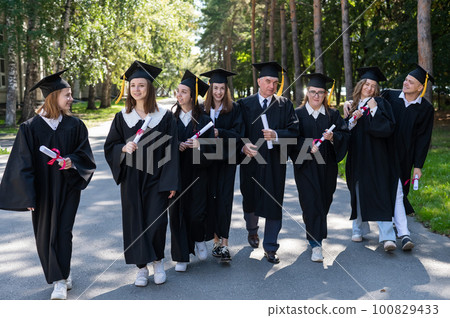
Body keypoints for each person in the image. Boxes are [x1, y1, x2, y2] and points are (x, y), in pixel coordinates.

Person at [0, 70, 96, 300]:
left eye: (71, 94)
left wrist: (71, 161)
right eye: (67, 94)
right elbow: (22, 164)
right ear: (53, 96)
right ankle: (60, 275)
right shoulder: (30, 128)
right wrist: (27, 196)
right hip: (42, 190)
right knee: (45, 235)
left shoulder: (75, 125)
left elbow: (85, 154)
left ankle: (61, 278)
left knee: (63, 232)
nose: (71, 98)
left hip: (68, 187)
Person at [104, 60, 179, 287]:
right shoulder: (122, 117)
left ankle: (157, 261)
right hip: (132, 179)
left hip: (157, 178)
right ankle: (141, 268)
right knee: (135, 222)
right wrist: (122, 148)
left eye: (141, 85)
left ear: (150, 88)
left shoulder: (164, 117)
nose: (136, 89)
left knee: (155, 222)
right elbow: (111, 146)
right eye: (133, 85)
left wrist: (170, 181)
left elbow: (171, 150)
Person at [238, 61, 299, 264]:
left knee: (274, 204)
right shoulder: (245, 105)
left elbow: (295, 133)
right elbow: (238, 132)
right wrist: (242, 146)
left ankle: (271, 247)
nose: (271, 86)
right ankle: (252, 231)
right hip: (251, 161)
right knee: (250, 200)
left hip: (274, 163)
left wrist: (277, 134)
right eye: (267, 81)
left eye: (275, 82)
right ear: (259, 81)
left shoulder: (284, 105)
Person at [289, 73, 349, 262]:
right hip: (305, 166)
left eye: (320, 93)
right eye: (313, 92)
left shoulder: (332, 115)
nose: (316, 96)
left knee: (324, 202)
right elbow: (291, 138)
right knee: (310, 202)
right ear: (307, 93)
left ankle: (313, 231)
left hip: (327, 166)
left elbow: (345, 134)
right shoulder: (297, 114)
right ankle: (316, 244)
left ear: (325, 95)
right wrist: (307, 146)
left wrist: (333, 138)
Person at [380, 64, 435, 251]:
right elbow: (369, 105)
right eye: (405, 79)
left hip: (405, 156)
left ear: (420, 87)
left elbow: (423, 139)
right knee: (386, 190)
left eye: (411, 82)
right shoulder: (390, 96)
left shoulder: (426, 109)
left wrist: (418, 165)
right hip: (384, 152)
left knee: (400, 191)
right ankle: (394, 231)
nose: (406, 83)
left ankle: (397, 227)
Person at [344, 66, 397, 252]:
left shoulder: (381, 104)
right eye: (367, 84)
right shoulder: (351, 105)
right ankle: (358, 229)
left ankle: (388, 236)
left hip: (377, 156)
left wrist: (374, 111)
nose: (370, 88)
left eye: (373, 86)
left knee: (380, 191)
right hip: (357, 156)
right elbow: (344, 132)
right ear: (361, 85)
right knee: (357, 191)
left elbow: (387, 129)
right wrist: (351, 118)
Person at [169, 70, 214, 272]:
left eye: (184, 92)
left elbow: (214, 149)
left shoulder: (204, 121)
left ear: (193, 96)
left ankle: (198, 238)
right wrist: (176, 145)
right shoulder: (170, 120)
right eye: (178, 91)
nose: (179, 95)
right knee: (178, 214)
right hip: (177, 173)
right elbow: (163, 144)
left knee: (196, 213)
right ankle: (181, 257)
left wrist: (199, 146)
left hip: (198, 173)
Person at [200, 68, 244, 262]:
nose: (218, 92)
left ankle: (224, 244)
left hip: (227, 159)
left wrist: (220, 133)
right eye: (215, 88)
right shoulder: (201, 109)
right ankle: (215, 241)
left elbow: (238, 134)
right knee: (210, 199)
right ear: (210, 89)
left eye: (222, 88)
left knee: (225, 199)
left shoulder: (234, 108)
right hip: (207, 160)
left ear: (226, 89)